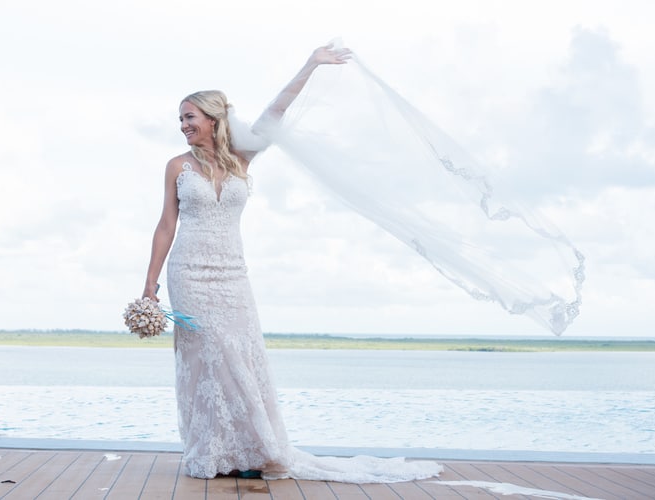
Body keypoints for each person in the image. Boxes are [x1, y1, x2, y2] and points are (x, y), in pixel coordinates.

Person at [141, 44, 443, 483]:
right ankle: (214, 450)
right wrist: (149, 284)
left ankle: (252, 450)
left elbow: (274, 113)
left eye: (190, 117)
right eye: (181, 119)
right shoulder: (176, 166)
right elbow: (166, 225)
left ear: (213, 119)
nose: (183, 125)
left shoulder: (242, 159)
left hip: (233, 275)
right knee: (209, 360)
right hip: (188, 273)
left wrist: (310, 65)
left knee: (242, 357)